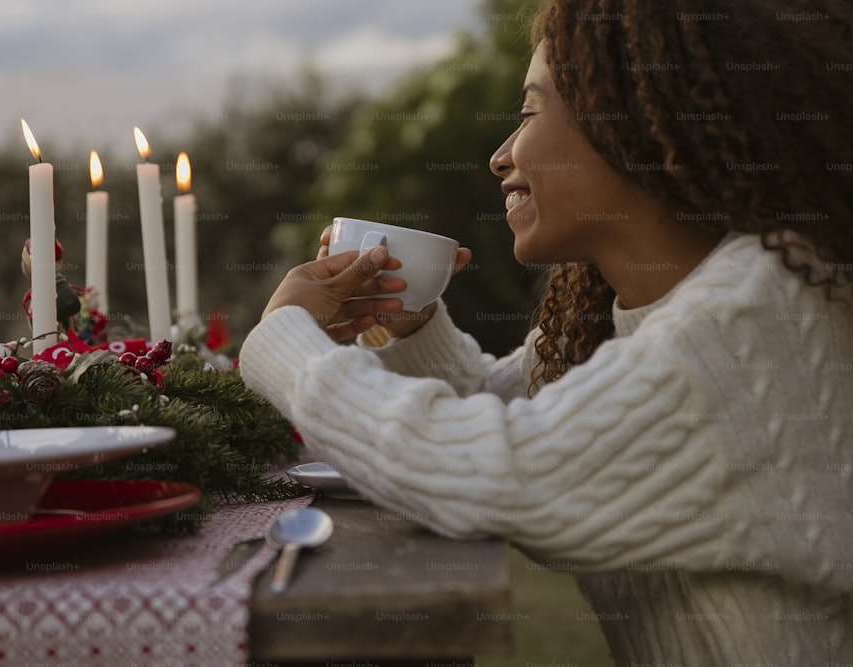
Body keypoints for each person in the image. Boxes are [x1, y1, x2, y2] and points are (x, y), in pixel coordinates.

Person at [239, 0, 853, 663]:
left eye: (529, 113)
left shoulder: (754, 316)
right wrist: (409, 328)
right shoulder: (647, 317)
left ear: (636, 120)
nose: (502, 157)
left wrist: (287, 342)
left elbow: (502, 471)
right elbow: (492, 408)